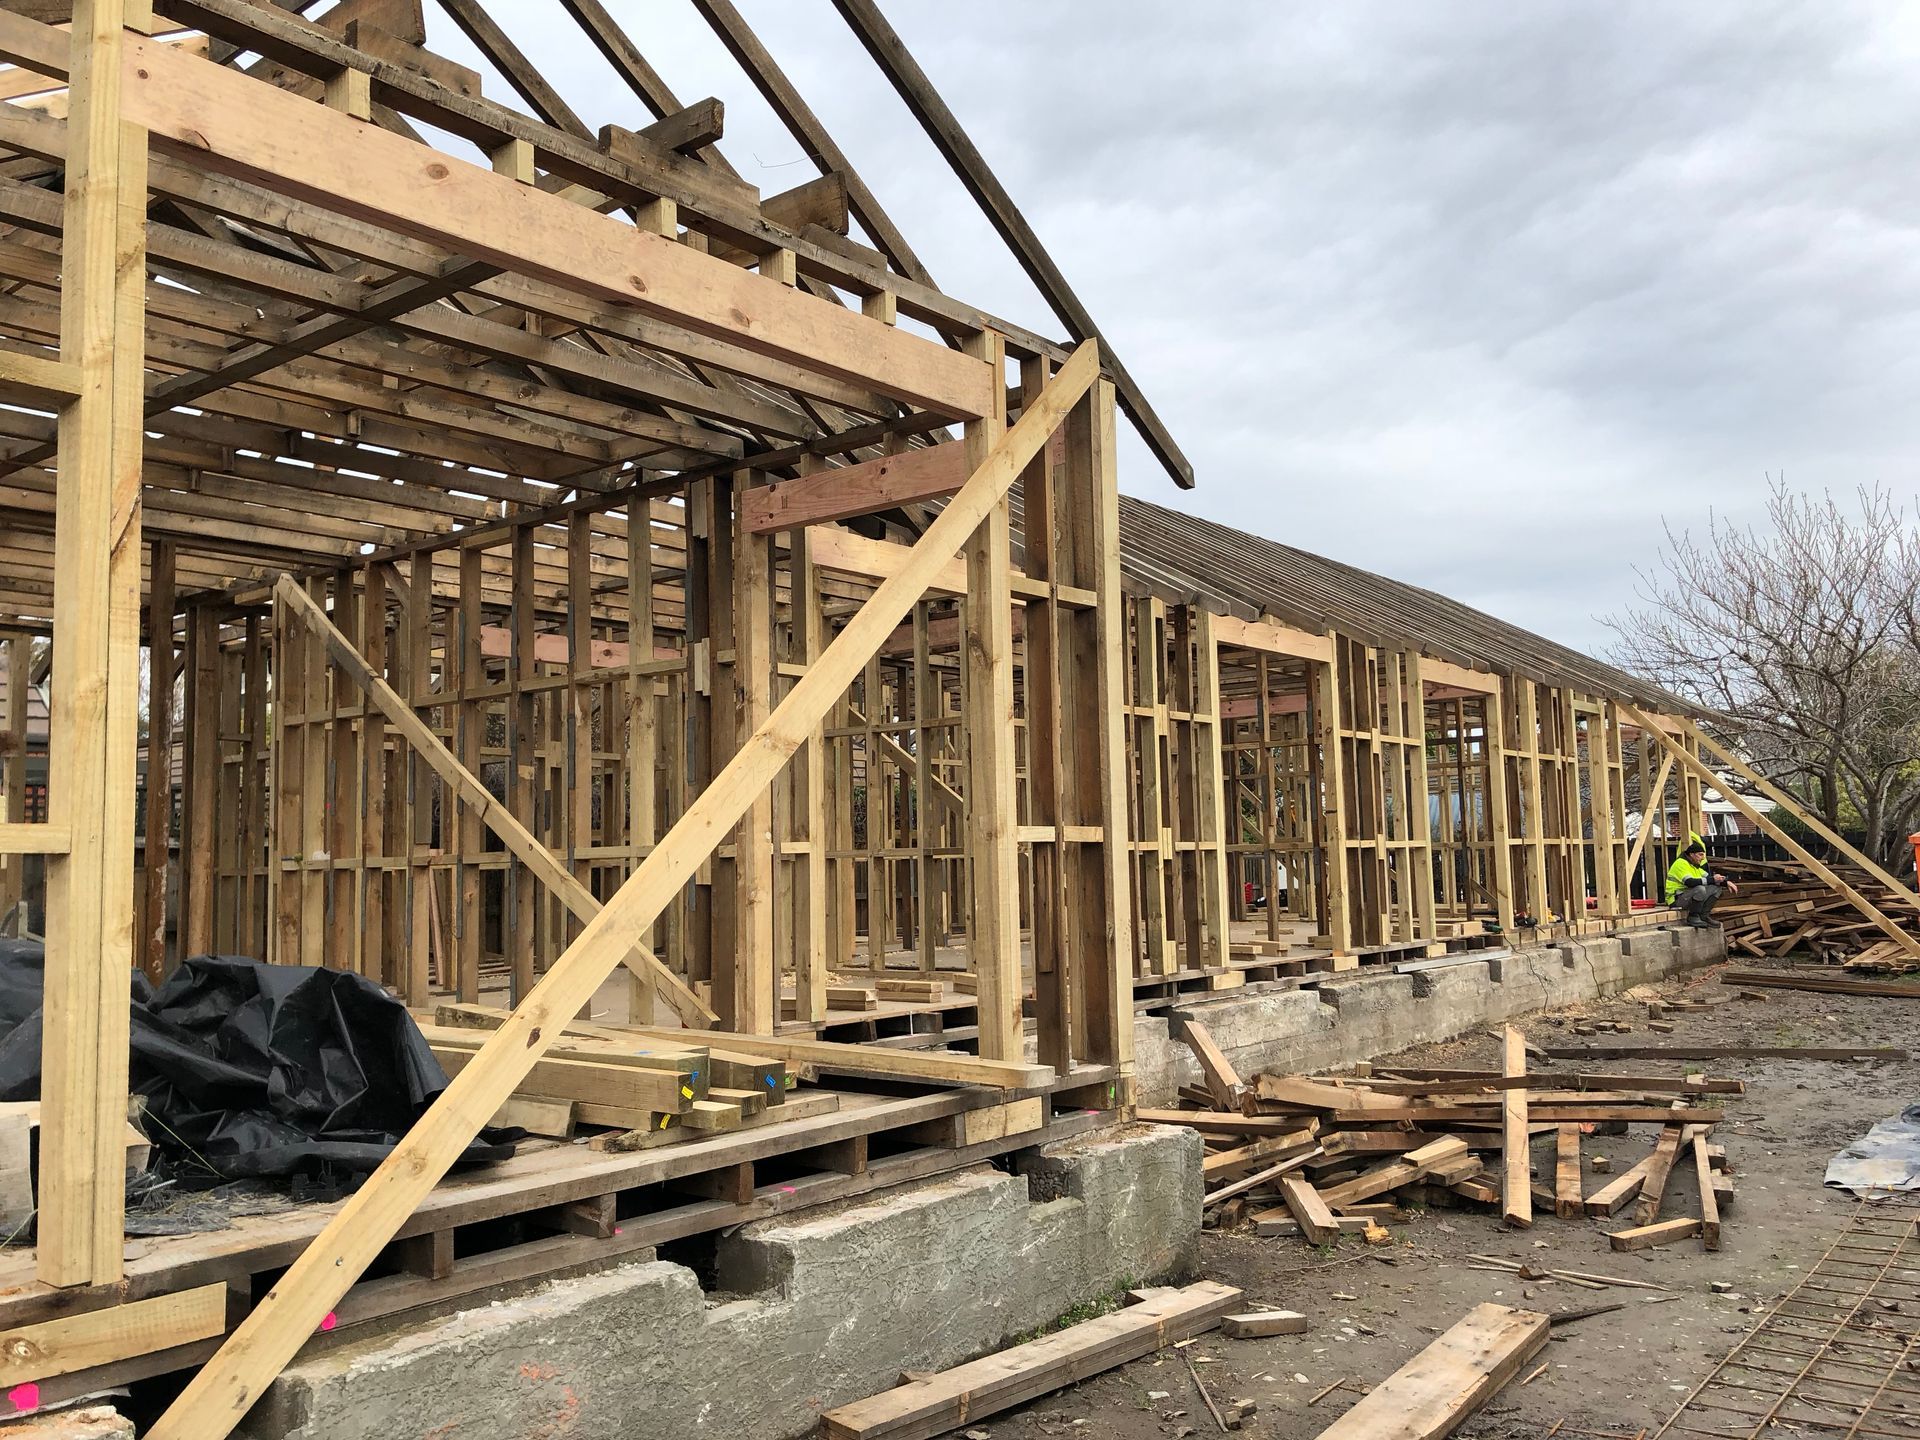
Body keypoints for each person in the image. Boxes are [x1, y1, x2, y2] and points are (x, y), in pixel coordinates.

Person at [1664, 836, 1737, 927]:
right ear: (1692, 854)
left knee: (1716, 888)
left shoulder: (1694, 866)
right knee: (1700, 889)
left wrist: (1726, 883)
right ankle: (1693, 917)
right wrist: (1713, 879)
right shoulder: (1680, 864)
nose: (1703, 858)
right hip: (1676, 900)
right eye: (1700, 854)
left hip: (1686, 897)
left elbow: (1710, 878)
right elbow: (1690, 882)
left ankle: (1703, 916)